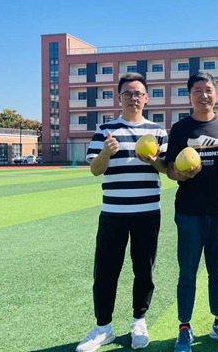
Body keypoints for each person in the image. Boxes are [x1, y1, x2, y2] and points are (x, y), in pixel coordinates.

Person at [77, 73, 168, 352]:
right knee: (106, 271)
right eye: (127, 93)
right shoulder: (105, 130)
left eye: (138, 93)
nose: (133, 98)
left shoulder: (158, 131)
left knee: (144, 271)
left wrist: (154, 161)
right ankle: (103, 328)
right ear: (119, 98)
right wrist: (106, 152)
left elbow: (167, 169)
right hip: (113, 212)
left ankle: (139, 321)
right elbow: (95, 170)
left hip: (148, 212)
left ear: (146, 98)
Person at [166, 71, 218, 352]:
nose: (204, 95)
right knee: (187, 272)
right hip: (189, 212)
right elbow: (170, 169)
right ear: (189, 96)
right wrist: (180, 175)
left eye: (208, 90)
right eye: (197, 90)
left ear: (216, 94)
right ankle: (184, 326)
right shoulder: (180, 129)